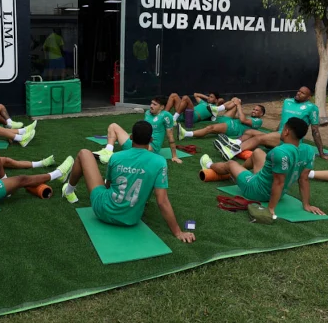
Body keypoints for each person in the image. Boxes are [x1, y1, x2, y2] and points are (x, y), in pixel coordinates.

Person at [61, 121, 195, 243]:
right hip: (130, 219)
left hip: (102, 211)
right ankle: (69, 191)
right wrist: (178, 232)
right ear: (151, 140)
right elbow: (162, 201)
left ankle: (69, 191)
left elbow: (108, 186)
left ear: (131, 137)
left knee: (84, 153)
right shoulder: (160, 162)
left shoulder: (116, 157)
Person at [200, 118, 324, 220]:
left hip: (256, 190)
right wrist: (306, 205)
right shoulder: (308, 150)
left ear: (286, 131)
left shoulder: (279, 152)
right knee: (258, 152)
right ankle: (237, 174)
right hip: (278, 193)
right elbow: (304, 180)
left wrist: (270, 208)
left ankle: (209, 165)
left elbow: (279, 182)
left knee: (231, 163)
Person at [214, 86, 328, 162]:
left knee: (259, 138)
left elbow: (315, 131)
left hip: (290, 140)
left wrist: (321, 153)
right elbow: (283, 121)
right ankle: (234, 143)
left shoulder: (312, 108)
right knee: (249, 131)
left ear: (309, 97)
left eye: (302, 93)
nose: (298, 93)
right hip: (279, 135)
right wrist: (272, 134)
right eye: (298, 91)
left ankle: (232, 151)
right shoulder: (287, 102)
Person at [93, 96, 181, 164]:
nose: (151, 106)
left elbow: (170, 136)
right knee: (113, 126)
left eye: (154, 104)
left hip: (151, 148)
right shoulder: (147, 113)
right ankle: (108, 151)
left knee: (133, 152)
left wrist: (174, 156)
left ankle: (120, 156)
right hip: (138, 142)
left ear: (161, 107)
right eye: (151, 103)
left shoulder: (166, 116)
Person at [177, 98, 266, 140]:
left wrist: (239, 105)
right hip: (229, 121)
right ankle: (217, 109)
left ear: (261, 114)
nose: (254, 111)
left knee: (210, 128)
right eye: (254, 109)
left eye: (256, 110)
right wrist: (237, 104)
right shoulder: (251, 118)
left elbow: (243, 120)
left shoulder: (259, 121)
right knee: (236, 99)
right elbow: (241, 118)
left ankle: (185, 134)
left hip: (232, 127)